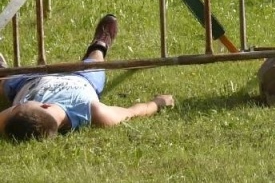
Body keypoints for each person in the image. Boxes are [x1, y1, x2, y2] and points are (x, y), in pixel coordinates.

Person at [0, 15, 176, 142]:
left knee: (5, 81)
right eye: (16, 108)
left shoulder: (20, 114)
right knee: (95, 63)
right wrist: (157, 103)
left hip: (27, 81)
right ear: (45, 105)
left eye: (14, 108)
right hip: (82, 79)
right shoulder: (92, 110)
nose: (12, 109)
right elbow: (131, 112)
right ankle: (100, 44)